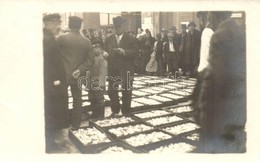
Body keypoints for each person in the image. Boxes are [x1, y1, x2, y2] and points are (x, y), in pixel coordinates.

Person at [197, 11, 246, 153]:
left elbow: (213, 75)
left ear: (213, 16)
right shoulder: (241, 33)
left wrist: (204, 113)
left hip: (219, 100)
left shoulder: (216, 34)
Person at [56, 16, 94, 129]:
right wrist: (80, 70)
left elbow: (54, 56)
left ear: (69, 25)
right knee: (77, 100)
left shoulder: (61, 39)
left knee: (63, 99)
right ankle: (76, 124)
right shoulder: (86, 41)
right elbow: (90, 61)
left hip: (63, 75)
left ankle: (63, 123)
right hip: (77, 75)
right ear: (80, 26)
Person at [43, 13, 69, 153]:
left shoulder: (48, 37)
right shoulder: (46, 39)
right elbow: (48, 65)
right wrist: (56, 82)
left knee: (52, 113)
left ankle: (51, 142)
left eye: (59, 23)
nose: (58, 26)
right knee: (52, 113)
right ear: (48, 23)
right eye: (56, 23)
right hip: (52, 85)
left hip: (53, 84)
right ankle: (50, 145)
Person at [104, 16, 139, 117]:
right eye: (115, 28)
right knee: (111, 91)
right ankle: (115, 110)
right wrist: (104, 53)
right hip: (113, 69)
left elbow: (136, 52)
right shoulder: (108, 39)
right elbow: (104, 50)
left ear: (123, 27)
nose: (117, 29)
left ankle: (126, 111)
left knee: (127, 91)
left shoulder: (132, 39)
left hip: (126, 69)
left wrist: (124, 52)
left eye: (119, 27)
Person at [89, 38, 108, 119]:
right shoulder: (91, 57)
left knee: (100, 100)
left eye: (98, 47)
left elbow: (103, 72)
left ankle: (100, 117)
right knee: (92, 99)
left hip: (98, 83)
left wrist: (100, 84)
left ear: (101, 48)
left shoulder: (102, 58)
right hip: (91, 83)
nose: (96, 49)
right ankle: (94, 116)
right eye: (94, 47)